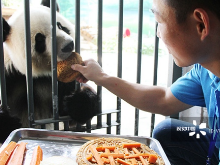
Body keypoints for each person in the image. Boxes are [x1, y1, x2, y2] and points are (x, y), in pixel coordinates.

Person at [71, 0, 220, 164]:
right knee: (166, 132)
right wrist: (101, 77)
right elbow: (164, 99)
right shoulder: (206, 71)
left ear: (200, 25)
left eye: (159, 21)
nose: (158, 33)